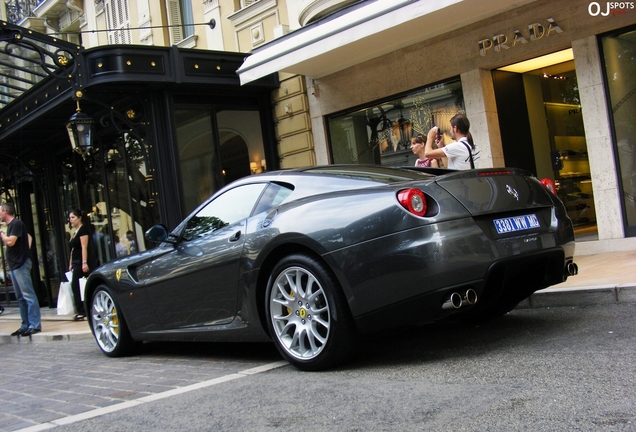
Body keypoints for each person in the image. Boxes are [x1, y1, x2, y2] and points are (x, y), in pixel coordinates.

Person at [0, 202, 41, 337]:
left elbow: (11, 242)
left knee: (28, 295)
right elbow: (29, 237)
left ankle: (34, 325)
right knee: (21, 298)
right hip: (15, 265)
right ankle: (25, 325)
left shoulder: (16, 224)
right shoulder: (13, 226)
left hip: (20, 265)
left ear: (5, 211)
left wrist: (2, 235)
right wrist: (25, 249)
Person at [68, 209, 95, 321]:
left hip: (80, 262)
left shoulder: (83, 230)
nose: (71, 220)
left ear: (80, 218)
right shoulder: (75, 231)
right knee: (75, 285)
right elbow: (73, 249)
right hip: (75, 262)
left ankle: (82, 310)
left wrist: (84, 262)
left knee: (77, 285)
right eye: (70, 218)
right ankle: (81, 309)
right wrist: (70, 263)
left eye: (73, 217)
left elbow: (84, 247)